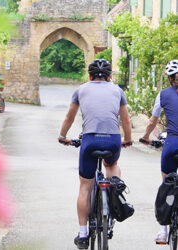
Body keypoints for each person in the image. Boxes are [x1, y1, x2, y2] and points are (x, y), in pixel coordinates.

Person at [58, 59, 132, 249]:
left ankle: (83, 235)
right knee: (111, 165)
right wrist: (128, 140)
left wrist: (63, 136)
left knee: (85, 186)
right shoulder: (118, 90)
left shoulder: (81, 90)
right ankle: (114, 191)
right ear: (109, 77)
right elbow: (125, 121)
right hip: (113, 140)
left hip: (90, 140)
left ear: (90, 76)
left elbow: (69, 117)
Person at [140, 59, 178, 244]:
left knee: (166, 184)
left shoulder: (163, 95)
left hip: (171, 144)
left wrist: (146, 136)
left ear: (170, 79)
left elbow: (152, 121)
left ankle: (163, 232)